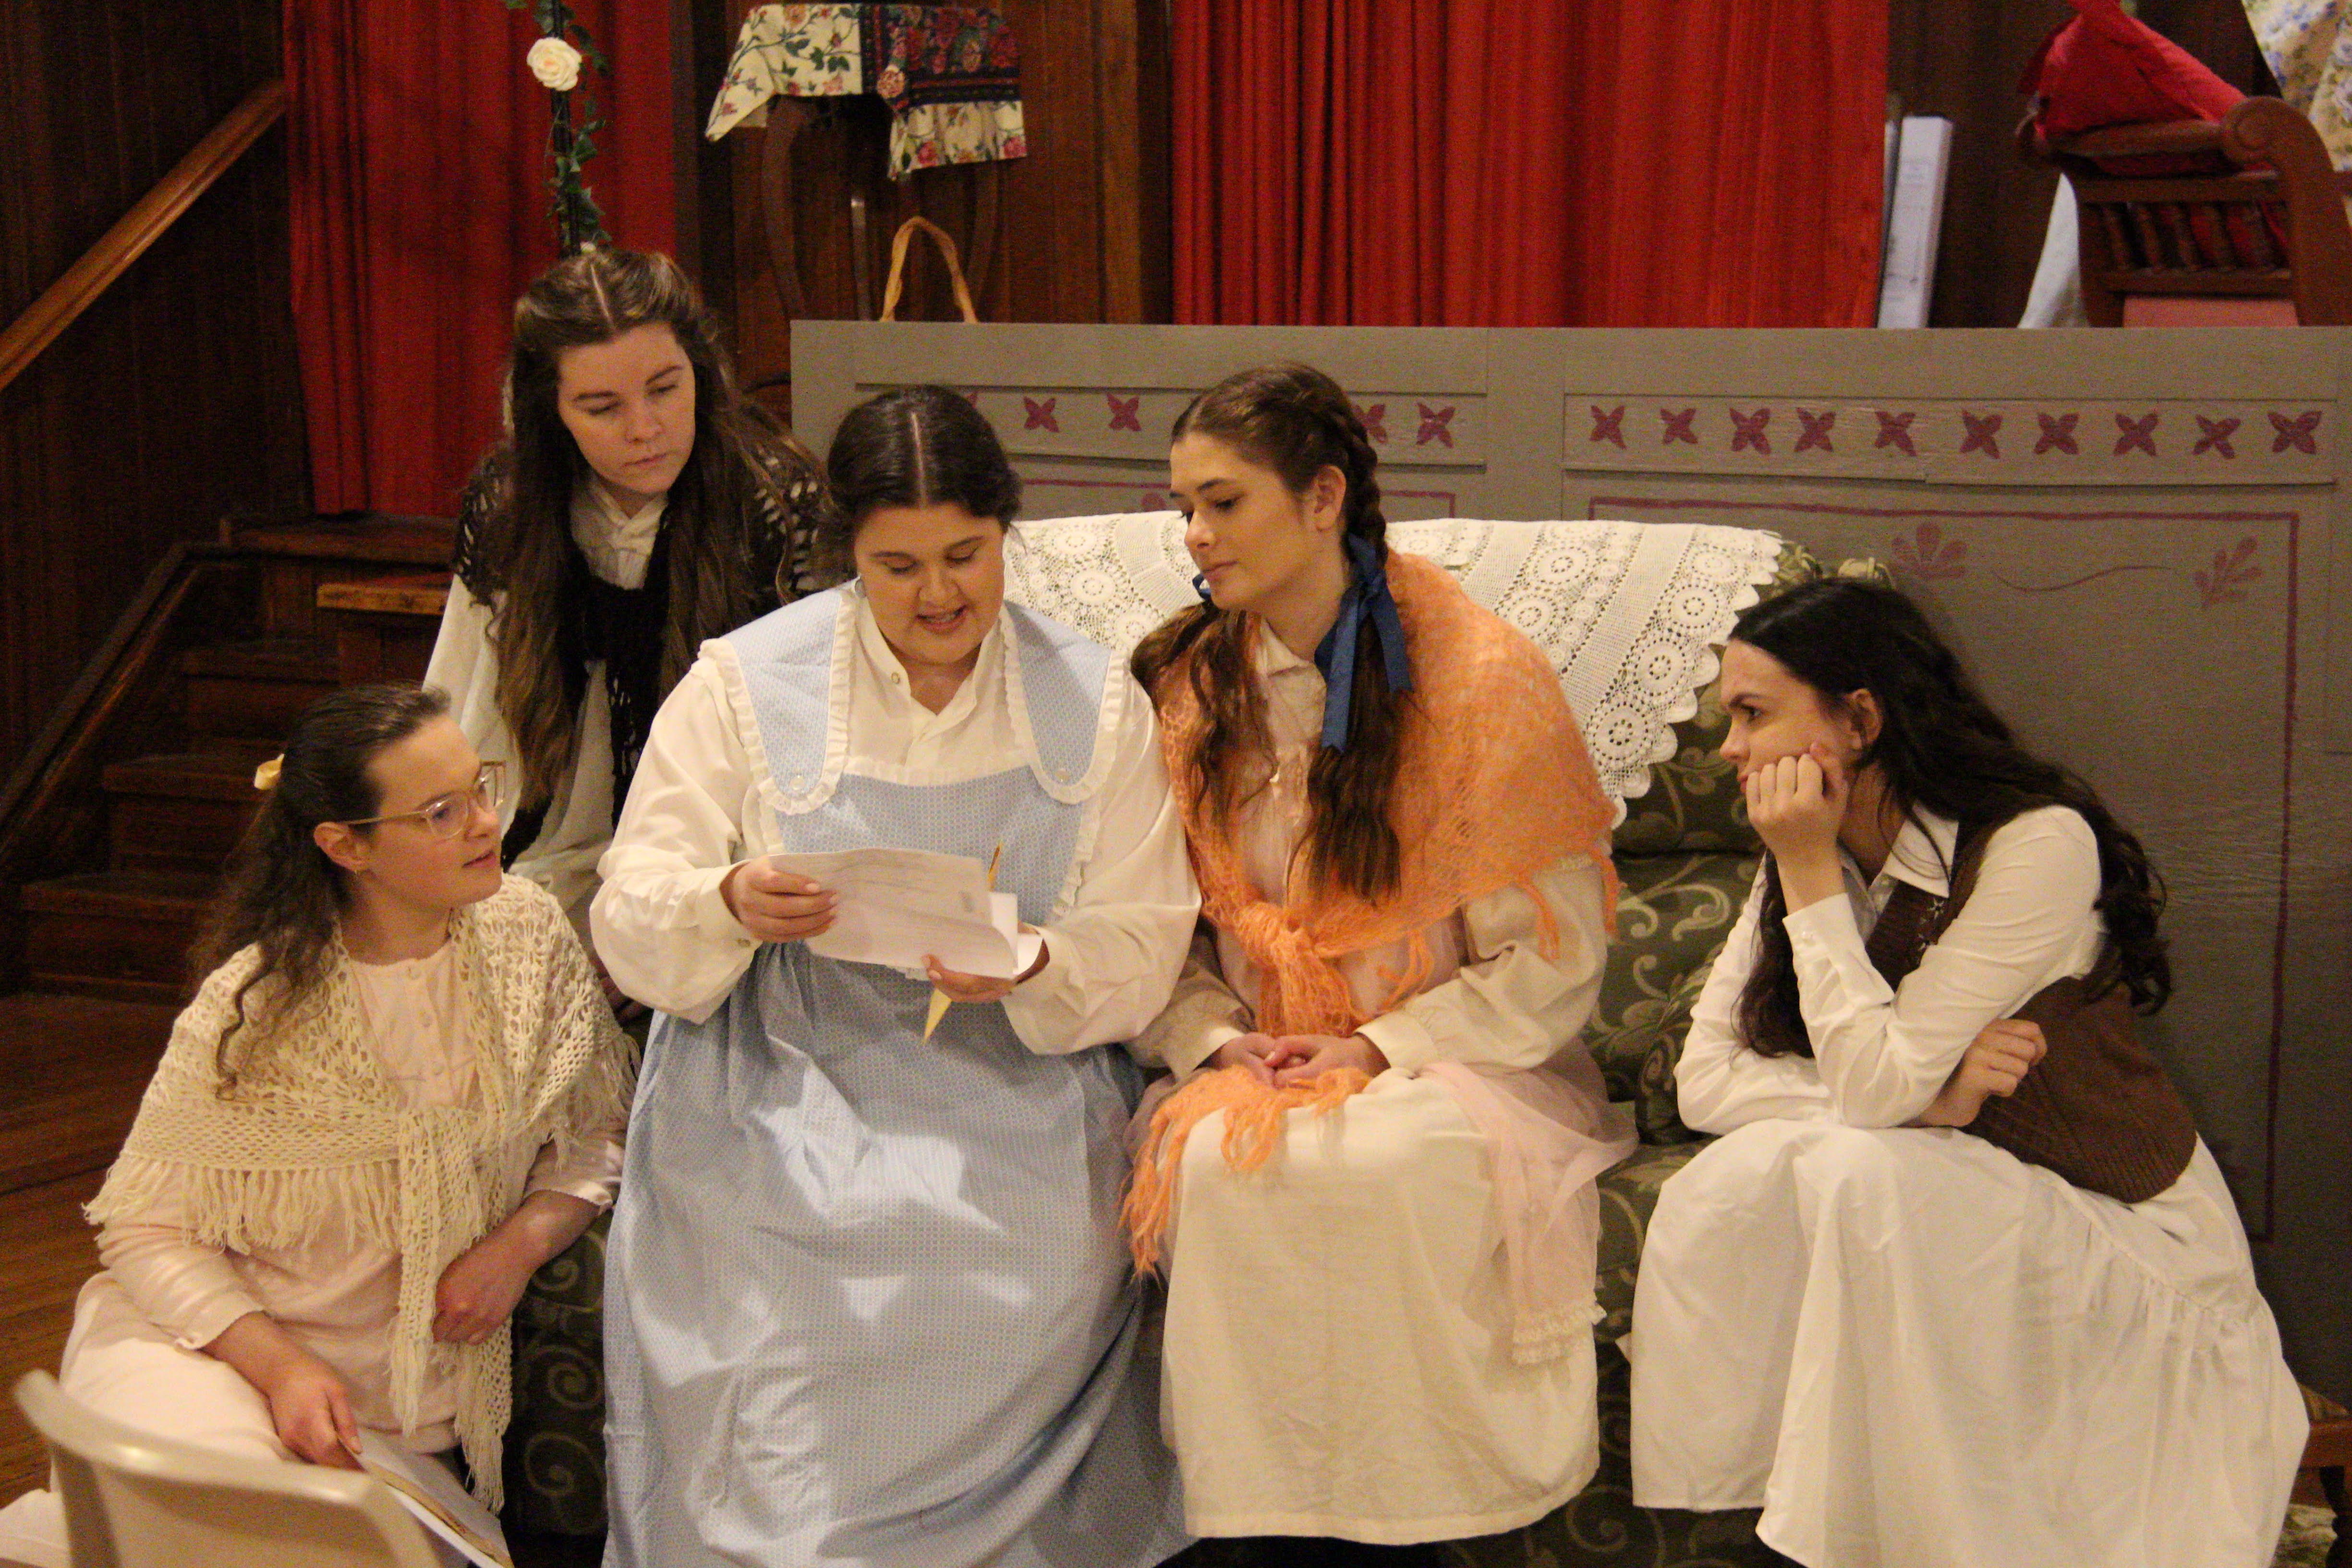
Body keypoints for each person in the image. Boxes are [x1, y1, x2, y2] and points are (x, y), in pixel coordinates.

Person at [589, 385, 1197, 1567]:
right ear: (847, 558)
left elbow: (1144, 933)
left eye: (966, 556)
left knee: (1021, 1255)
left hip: (1009, 1075)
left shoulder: (1092, 702)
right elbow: (631, 893)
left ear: (1006, 536)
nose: (938, 596)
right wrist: (727, 901)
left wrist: (1035, 962)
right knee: (789, 1292)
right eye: (898, 564)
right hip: (775, 1075)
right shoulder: (745, 685)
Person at [1627, 578, 2307, 1568]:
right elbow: (1705, 1080)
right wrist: (1930, 1102)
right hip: (1966, 1199)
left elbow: (1868, 1095)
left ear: (1858, 719)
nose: (1729, 750)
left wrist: (1813, 883)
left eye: (1751, 714)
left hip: (2125, 1237)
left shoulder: (2035, 845)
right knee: (1777, 1166)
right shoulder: (1804, 848)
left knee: (1864, 1169)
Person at [1123, 362, 1635, 1554]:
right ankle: (1255, 1524)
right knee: (1214, 1155)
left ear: (1321, 497)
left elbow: (1553, 961)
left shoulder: (1479, 680)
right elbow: (1155, 926)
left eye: (1223, 501)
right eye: (1183, 507)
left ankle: (1430, 1517)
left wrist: (1374, 1042)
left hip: (1450, 1061)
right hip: (1259, 1046)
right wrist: (1216, 1036)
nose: (1195, 535)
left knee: (1379, 1158)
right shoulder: (1192, 692)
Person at [0, 685, 632, 1568]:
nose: (486, 823)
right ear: (345, 845)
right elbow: (144, 1227)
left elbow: (596, 1127)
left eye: (482, 788)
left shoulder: (528, 934)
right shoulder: (258, 1003)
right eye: (441, 811)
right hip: (214, 1352)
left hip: (391, 1411)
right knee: (206, 1532)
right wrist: (284, 1369)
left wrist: (520, 1244)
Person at [425, 246, 824, 940]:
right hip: (548, 839)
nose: (644, 428)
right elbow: (464, 694)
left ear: (701, 373)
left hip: (725, 855)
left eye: (666, 389)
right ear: (550, 410)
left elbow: (809, 729)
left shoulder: (770, 500)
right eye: (601, 406)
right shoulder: (513, 503)